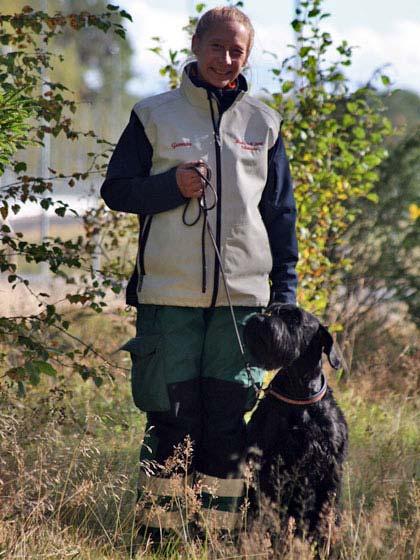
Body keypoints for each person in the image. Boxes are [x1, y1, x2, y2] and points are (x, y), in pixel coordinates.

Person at [101, 5, 298, 541]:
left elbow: (280, 217)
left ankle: (213, 538)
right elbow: (116, 191)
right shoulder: (153, 114)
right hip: (168, 299)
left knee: (228, 423)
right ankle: (160, 539)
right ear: (196, 44)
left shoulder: (265, 122)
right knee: (172, 419)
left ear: (248, 56)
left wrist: (284, 296)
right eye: (217, 46)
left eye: (237, 51)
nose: (226, 59)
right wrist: (171, 187)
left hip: (245, 306)